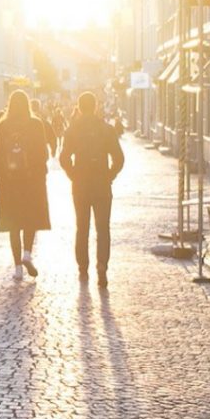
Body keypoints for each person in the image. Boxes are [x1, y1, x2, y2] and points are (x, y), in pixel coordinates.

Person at [60, 91, 126, 287]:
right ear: (96, 106)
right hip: (101, 186)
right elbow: (119, 159)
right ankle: (102, 267)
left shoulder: (73, 129)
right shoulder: (106, 130)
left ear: (79, 107)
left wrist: (73, 175)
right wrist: (109, 175)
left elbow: (64, 158)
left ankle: (83, 268)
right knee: (103, 229)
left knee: (82, 228)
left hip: (80, 185)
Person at [0, 89, 52, 281]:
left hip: (9, 181)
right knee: (30, 218)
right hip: (31, 180)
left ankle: (17, 267)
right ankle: (27, 253)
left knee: (13, 223)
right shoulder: (36, 124)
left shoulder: (3, 125)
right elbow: (43, 153)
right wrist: (40, 173)